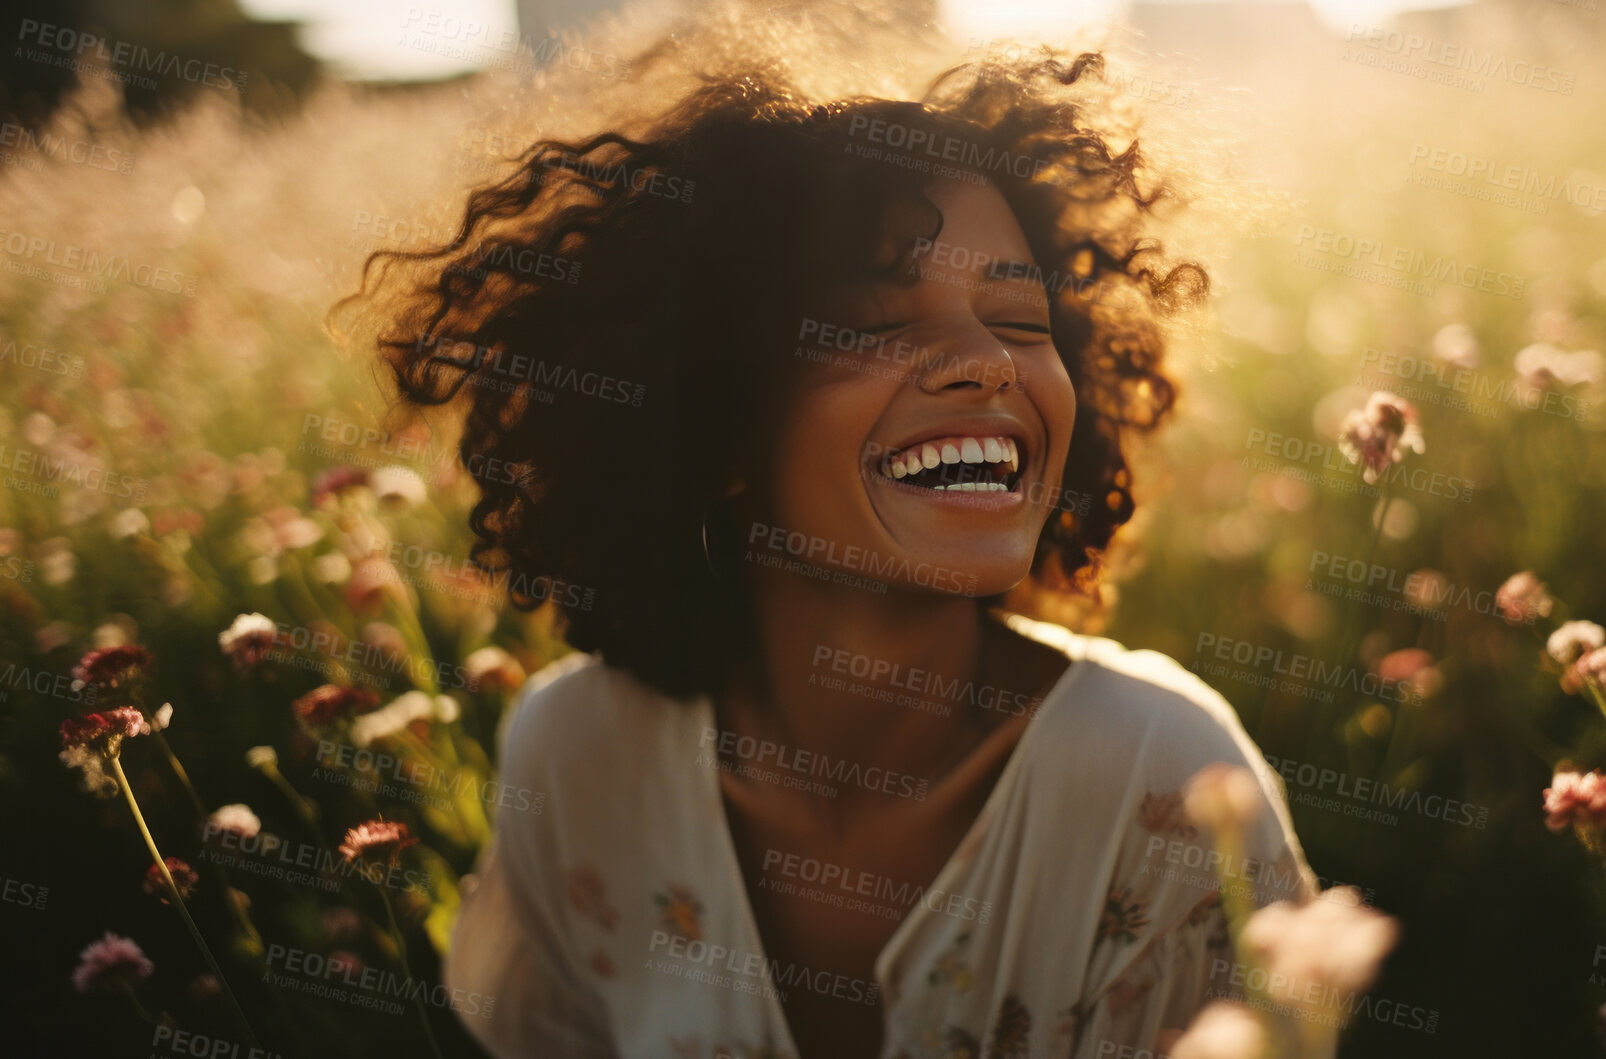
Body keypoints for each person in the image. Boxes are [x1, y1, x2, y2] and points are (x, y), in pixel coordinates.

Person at [340, 44, 1321, 1059]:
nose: (985, 363)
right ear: (717, 425)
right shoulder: (574, 757)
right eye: (873, 324)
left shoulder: (1169, 785)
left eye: (1020, 320)